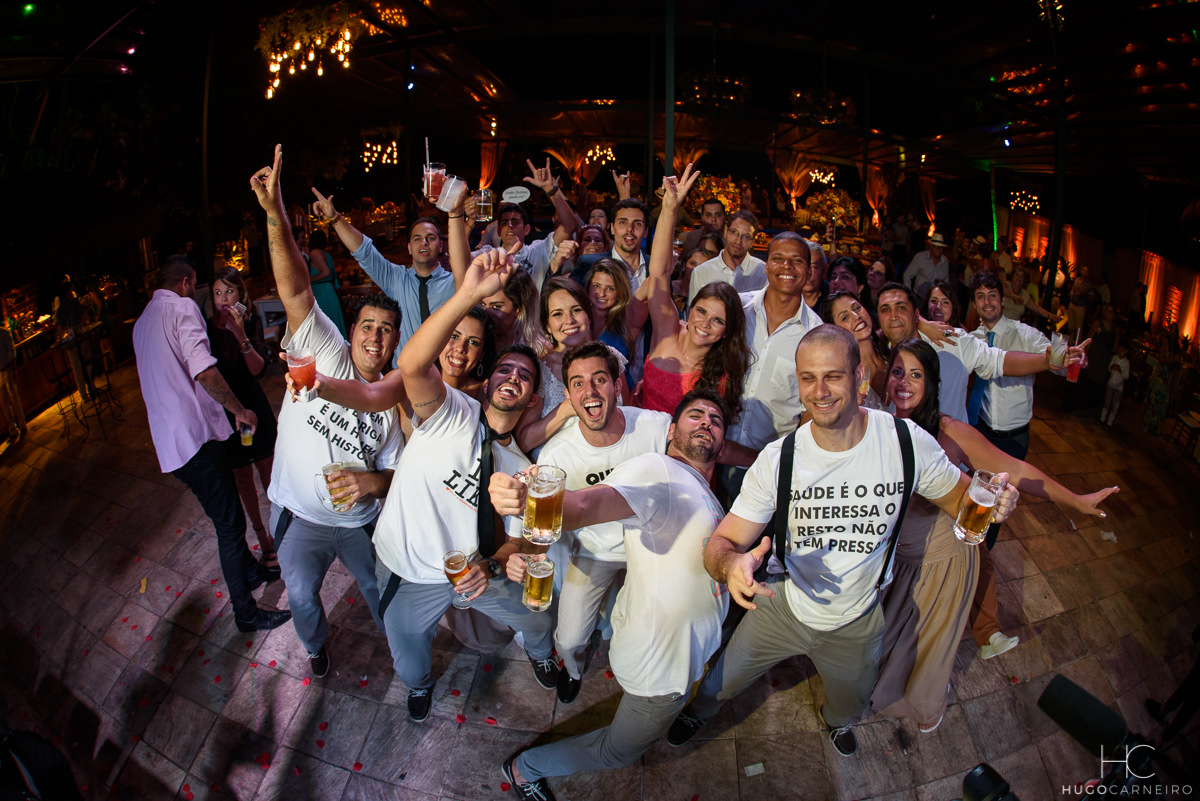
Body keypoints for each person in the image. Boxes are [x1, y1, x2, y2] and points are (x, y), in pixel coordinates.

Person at [666, 325, 1019, 756]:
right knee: (721, 681)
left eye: (832, 376)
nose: (819, 392)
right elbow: (720, 544)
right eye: (808, 378)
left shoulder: (906, 444)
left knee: (850, 701)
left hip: (858, 622)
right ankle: (698, 712)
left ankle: (836, 722)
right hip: (783, 606)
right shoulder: (780, 459)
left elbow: (963, 500)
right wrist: (730, 565)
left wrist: (996, 502)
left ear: (859, 377)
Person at [490, 389, 731, 801]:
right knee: (617, 752)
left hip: (683, 654)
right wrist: (529, 498)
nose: (707, 421)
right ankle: (524, 769)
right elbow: (586, 506)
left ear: (722, 442)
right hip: (661, 668)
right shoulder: (656, 469)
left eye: (716, 419)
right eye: (696, 414)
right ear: (671, 430)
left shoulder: (705, 493)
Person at [872, 339, 1116, 730]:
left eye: (916, 375)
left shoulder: (951, 432)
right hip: (899, 556)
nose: (904, 383)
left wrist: (1075, 500)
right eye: (898, 372)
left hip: (943, 559)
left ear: (931, 383)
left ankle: (925, 707)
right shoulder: (879, 426)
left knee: (928, 642)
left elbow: (1016, 471)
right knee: (891, 630)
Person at [372, 247, 558, 723]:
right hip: (408, 569)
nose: (513, 377)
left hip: (472, 573)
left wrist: (490, 567)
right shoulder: (452, 412)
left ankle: (541, 655)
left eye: (525, 376)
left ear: (531, 398)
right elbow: (412, 365)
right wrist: (469, 294)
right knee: (408, 655)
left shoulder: (520, 466)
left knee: (538, 617)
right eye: (505, 370)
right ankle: (419, 684)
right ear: (486, 381)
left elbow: (521, 540)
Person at [251, 145, 403, 677]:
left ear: (395, 343)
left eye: (386, 331)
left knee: (381, 592)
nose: (375, 337)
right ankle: (315, 648)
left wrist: (370, 484)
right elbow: (294, 287)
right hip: (300, 516)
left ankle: (401, 654)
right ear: (351, 331)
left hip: (359, 521)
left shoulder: (393, 399)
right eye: (368, 326)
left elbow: (397, 474)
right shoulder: (326, 353)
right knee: (299, 594)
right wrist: (275, 213)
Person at [133, 255, 290, 633]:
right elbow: (203, 370)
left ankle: (251, 572)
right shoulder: (182, 308)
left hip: (173, 446)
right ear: (187, 283)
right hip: (196, 439)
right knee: (230, 527)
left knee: (226, 515)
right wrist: (239, 410)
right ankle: (246, 613)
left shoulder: (142, 322)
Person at [529, 341, 673, 704]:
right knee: (568, 639)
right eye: (578, 383)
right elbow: (541, 524)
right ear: (567, 394)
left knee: (658, 625)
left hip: (653, 549)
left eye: (599, 380)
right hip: (596, 551)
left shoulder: (654, 426)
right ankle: (574, 669)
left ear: (617, 384)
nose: (589, 391)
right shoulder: (557, 454)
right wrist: (524, 553)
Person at [876, 282, 1086, 423]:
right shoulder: (879, 353)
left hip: (948, 457)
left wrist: (1045, 361)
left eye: (901, 307)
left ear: (916, 314)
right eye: (885, 309)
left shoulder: (952, 340)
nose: (893, 315)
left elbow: (1000, 360)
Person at [716, 231, 823, 503]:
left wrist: (790, 466)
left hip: (766, 467)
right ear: (766, 266)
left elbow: (809, 411)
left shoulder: (815, 335)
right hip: (713, 453)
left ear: (809, 271)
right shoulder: (737, 308)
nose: (787, 266)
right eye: (778, 258)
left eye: (796, 260)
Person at [642, 167, 751, 424]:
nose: (705, 324)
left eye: (718, 320)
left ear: (727, 331)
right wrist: (670, 208)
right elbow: (658, 274)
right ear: (690, 309)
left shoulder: (720, 373)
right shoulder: (667, 331)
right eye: (701, 311)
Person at [312, 187, 455, 350]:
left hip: (445, 365)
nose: (424, 243)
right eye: (417, 239)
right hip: (401, 366)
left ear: (441, 245)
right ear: (409, 248)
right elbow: (364, 251)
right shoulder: (395, 277)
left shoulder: (453, 283)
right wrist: (334, 218)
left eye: (430, 238)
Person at [207, 267, 279, 566]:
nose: (224, 298)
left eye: (230, 291)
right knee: (242, 477)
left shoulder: (249, 321)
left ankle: (279, 529)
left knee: (267, 470)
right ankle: (262, 536)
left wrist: (240, 335)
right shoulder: (206, 329)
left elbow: (257, 370)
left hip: (253, 407)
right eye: (218, 292)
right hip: (229, 412)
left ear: (240, 293)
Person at [475, 158, 580, 288]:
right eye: (505, 222)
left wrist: (550, 189)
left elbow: (570, 225)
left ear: (527, 229)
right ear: (498, 231)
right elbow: (458, 261)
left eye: (515, 221)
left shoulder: (538, 251)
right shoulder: (488, 254)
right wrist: (465, 221)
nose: (510, 226)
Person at [823, 291, 889, 407]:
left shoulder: (894, 355)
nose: (856, 316)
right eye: (845, 317)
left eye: (857, 308)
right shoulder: (843, 381)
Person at [687, 210, 766, 305]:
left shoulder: (763, 272)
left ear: (752, 242)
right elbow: (694, 312)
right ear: (725, 232)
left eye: (746, 236)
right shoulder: (701, 272)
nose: (738, 241)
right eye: (734, 232)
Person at [481, 267, 544, 354]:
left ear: (518, 308)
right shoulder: (479, 344)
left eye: (496, 307)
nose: (486, 313)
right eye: (483, 305)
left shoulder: (541, 351)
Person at [306, 229, 347, 338]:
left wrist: (309, 279)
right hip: (330, 291)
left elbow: (326, 272)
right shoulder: (327, 254)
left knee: (324, 328)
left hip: (321, 292)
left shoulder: (314, 253)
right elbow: (334, 277)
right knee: (333, 325)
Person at [0, 321, 25, 442]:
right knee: (4, 402)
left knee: (14, 398)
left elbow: (12, 350)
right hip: (0, 372)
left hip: (8, 367)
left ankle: (22, 425)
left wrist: (14, 368)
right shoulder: (3, 332)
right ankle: (12, 429)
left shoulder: (3, 332)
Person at [905, 233, 951, 298]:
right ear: (931, 246)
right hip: (920, 297)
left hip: (936, 298)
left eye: (940, 247)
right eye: (936, 246)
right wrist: (909, 295)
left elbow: (946, 281)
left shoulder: (945, 261)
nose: (938, 249)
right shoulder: (921, 257)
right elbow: (907, 275)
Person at [1102, 341, 1130, 427]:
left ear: (1126, 351)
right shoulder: (1115, 358)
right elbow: (1109, 368)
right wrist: (1112, 367)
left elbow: (1126, 376)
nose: (1120, 352)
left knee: (1115, 405)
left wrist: (1120, 370)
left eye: (1122, 350)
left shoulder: (1126, 363)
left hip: (1119, 387)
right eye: (1119, 350)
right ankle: (1102, 419)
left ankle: (1109, 422)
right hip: (1111, 383)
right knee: (1107, 402)